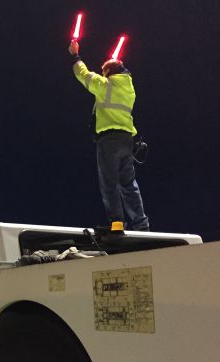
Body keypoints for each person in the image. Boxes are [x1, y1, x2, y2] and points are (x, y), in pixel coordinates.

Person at [69, 40, 150, 231]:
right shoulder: (129, 89)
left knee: (109, 184)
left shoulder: (105, 85)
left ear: (108, 73)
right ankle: (141, 225)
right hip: (127, 141)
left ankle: (116, 225)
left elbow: (83, 75)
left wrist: (75, 55)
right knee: (129, 185)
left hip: (109, 140)